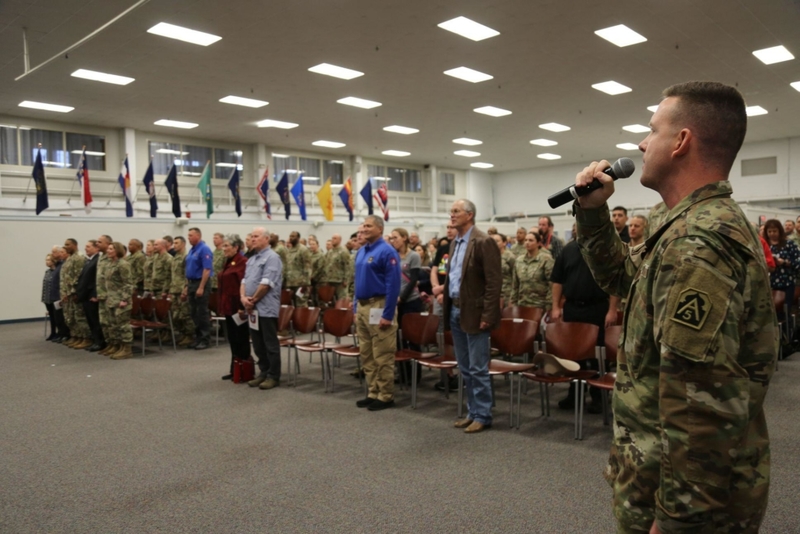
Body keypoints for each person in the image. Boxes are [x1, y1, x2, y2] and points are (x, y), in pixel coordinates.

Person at [573, 81, 777, 533]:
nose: (643, 144)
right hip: (657, 473)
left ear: (682, 141)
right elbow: (625, 280)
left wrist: (678, 519)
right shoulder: (679, 223)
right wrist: (591, 213)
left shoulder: (699, 242)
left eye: (652, 131)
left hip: (685, 499)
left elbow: (700, 399)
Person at [443, 199, 501, 433]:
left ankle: (483, 415)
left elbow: (494, 281)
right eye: (451, 211)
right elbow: (453, 278)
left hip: (476, 313)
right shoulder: (455, 243)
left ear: (469, 215)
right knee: (465, 367)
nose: (452, 215)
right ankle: (472, 411)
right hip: (456, 309)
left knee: (477, 368)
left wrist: (488, 313)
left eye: (456, 211)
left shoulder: (483, 242)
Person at [550, 233, 619, 413]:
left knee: (596, 356)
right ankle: (574, 395)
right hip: (572, 307)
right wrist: (555, 307)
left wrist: (612, 310)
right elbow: (557, 280)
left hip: (597, 308)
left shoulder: (604, 249)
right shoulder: (568, 250)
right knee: (572, 354)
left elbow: (614, 282)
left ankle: (597, 396)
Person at [354, 215, 401, 411]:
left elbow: (393, 285)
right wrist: (355, 307)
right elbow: (356, 281)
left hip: (380, 305)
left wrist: (388, 314)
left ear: (379, 229)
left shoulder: (387, 251)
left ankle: (386, 395)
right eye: (363, 225)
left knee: (382, 355)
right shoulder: (361, 251)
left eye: (368, 226)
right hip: (363, 306)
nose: (363, 229)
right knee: (367, 355)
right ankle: (373, 392)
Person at [241, 227, 283, 390]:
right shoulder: (252, 259)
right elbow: (244, 281)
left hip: (266, 307)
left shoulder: (273, 258)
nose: (252, 239)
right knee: (258, 344)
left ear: (266, 239)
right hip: (252, 308)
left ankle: (274, 375)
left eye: (256, 236)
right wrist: (243, 298)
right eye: (251, 236)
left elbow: (266, 284)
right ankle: (263, 372)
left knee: (269, 343)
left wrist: (253, 300)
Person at [217, 234, 250, 380]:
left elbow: (244, 286)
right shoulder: (228, 262)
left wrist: (242, 307)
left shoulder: (242, 262)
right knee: (233, 339)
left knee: (241, 338)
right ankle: (235, 369)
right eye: (223, 246)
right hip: (228, 307)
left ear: (236, 247)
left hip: (238, 308)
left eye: (226, 246)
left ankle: (245, 370)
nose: (223, 249)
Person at [510, 232, 553, 326]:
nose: (527, 243)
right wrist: (513, 303)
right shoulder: (519, 260)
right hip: (522, 304)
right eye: (525, 240)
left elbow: (552, 284)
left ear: (538, 243)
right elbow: (515, 284)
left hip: (540, 305)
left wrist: (549, 305)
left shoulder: (546, 259)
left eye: (531, 240)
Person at [182, 228, 213, 350]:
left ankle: (205, 339)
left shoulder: (204, 249)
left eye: (190, 235)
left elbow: (207, 269)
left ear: (198, 236)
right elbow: (188, 270)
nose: (188, 237)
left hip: (201, 283)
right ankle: (198, 338)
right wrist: (186, 287)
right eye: (188, 235)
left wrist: (201, 287)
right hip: (191, 283)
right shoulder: (192, 249)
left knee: (202, 312)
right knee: (194, 313)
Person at [104, 241, 135, 360]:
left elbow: (128, 284)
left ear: (117, 251)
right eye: (108, 249)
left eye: (111, 249)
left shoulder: (123, 264)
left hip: (122, 301)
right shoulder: (110, 264)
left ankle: (127, 349)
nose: (108, 251)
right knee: (113, 325)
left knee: (123, 326)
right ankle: (117, 346)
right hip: (112, 299)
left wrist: (125, 299)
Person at [60, 238, 91, 349]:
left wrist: (74, 292)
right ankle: (76, 336)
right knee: (70, 317)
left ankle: (85, 338)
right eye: (65, 244)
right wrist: (64, 292)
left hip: (74, 293)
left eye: (68, 244)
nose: (66, 246)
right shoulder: (70, 259)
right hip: (67, 293)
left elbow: (78, 278)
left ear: (74, 245)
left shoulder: (79, 258)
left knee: (80, 317)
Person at [76, 240, 105, 352]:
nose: (85, 248)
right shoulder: (89, 261)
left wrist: (95, 294)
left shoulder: (97, 260)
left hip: (92, 296)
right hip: (86, 296)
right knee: (90, 321)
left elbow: (96, 280)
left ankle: (99, 342)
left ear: (96, 249)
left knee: (95, 321)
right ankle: (95, 341)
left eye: (88, 247)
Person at [764, 219, 800, 308]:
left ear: (780, 231)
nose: (772, 233)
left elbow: (797, 262)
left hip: (788, 281)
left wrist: (784, 262)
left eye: (775, 231)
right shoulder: (765, 245)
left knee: (787, 308)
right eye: (769, 231)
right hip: (770, 282)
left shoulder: (789, 244)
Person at [170, 236, 196, 347]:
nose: (174, 245)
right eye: (174, 243)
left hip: (182, 289)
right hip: (174, 289)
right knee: (175, 315)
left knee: (185, 314)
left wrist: (186, 289)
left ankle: (190, 335)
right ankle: (183, 333)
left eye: (177, 243)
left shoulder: (186, 257)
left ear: (183, 244)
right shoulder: (175, 257)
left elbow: (188, 275)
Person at [285, 231, 312, 307]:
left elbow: (307, 267)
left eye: (293, 236)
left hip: (300, 283)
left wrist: (306, 284)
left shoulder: (303, 250)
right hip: (290, 283)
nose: (291, 238)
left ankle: (303, 319)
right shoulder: (289, 250)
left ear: (298, 238)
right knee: (291, 305)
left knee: (301, 305)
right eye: (290, 236)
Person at [321, 233, 351, 300]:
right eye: (332, 238)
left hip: (339, 280)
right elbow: (326, 265)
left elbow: (347, 266)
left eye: (335, 238)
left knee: (342, 299)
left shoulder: (344, 251)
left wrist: (346, 280)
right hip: (330, 279)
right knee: (329, 299)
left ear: (340, 240)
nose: (332, 240)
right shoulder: (330, 251)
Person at [49, 246, 69, 342]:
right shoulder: (58, 264)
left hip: (59, 294)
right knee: (57, 317)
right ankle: (61, 333)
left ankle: (65, 334)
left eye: (55, 252)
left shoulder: (64, 264)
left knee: (61, 317)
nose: (53, 254)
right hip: (55, 295)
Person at [493, 233, 515, 308]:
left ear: (504, 243)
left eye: (497, 241)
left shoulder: (510, 257)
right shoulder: (489, 256)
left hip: (506, 294)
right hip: (494, 293)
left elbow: (515, 276)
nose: (494, 243)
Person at [42, 253, 58, 341]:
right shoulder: (47, 272)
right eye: (46, 260)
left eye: (48, 260)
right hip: (47, 298)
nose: (47, 262)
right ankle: (53, 332)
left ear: (53, 261)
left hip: (54, 298)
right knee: (52, 316)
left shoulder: (56, 271)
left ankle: (59, 333)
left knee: (57, 316)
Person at [308, 236, 325, 306]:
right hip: (311, 280)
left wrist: (312, 276)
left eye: (313, 244)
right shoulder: (309, 255)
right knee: (312, 297)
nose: (312, 246)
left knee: (319, 298)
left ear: (317, 245)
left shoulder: (320, 255)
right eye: (310, 244)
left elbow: (320, 268)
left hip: (319, 280)